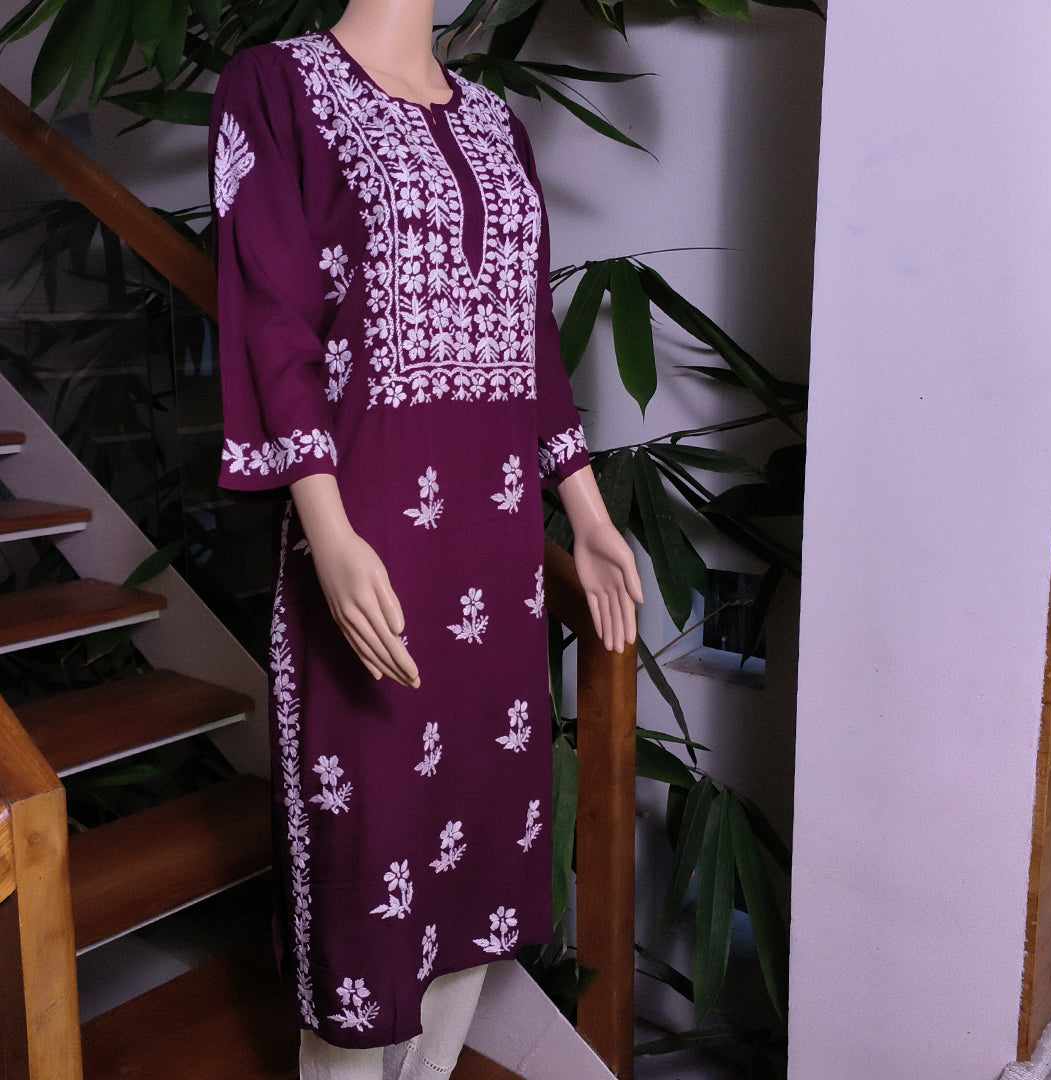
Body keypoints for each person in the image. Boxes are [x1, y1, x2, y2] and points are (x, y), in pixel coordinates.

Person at [210, 0, 643, 1074]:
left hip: (496, 557)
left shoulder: (497, 124)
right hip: (369, 542)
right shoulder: (278, 86)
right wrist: (326, 529)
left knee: (476, 835)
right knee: (366, 849)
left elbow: (529, 334)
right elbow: (272, 318)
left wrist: (586, 512)